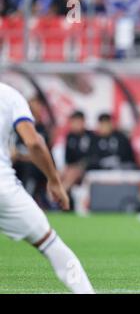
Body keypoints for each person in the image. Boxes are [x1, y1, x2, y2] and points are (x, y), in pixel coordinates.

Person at [0, 82, 94, 294]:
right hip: (3, 189)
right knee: (51, 245)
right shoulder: (9, 95)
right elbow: (33, 143)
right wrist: (54, 180)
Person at [61, 110, 96, 195]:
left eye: (78, 122)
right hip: (72, 167)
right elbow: (68, 158)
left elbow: (94, 156)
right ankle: (51, 197)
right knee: (57, 174)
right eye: (73, 122)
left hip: (87, 167)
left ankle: (58, 198)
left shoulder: (91, 136)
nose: (76, 125)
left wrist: (79, 166)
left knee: (72, 174)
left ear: (84, 122)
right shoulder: (70, 137)